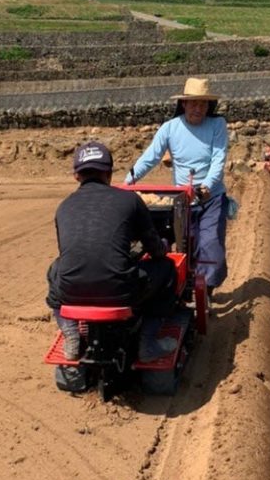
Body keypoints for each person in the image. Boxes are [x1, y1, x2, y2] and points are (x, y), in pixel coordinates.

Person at [47, 140, 178, 363]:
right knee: (167, 269)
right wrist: (163, 246)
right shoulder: (130, 200)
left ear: (76, 176)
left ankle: (71, 336)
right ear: (109, 173)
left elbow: (70, 251)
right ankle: (147, 343)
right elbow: (155, 251)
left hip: (71, 291)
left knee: (55, 270)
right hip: (122, 291)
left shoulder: (64, 206)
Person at [126, 77, 229, 298]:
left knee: (210, 244)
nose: (198, 108)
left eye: (203, 104)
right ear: (183, 104)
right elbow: (150, 157)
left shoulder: (217, 125)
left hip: (211, 197)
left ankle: (206, 291)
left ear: (209, 106)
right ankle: (184, 285)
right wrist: (128, 182)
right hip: (181, 200)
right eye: (193, 103)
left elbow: (219, 158)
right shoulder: (170, 128)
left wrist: (207, 185)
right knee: (186, 245)